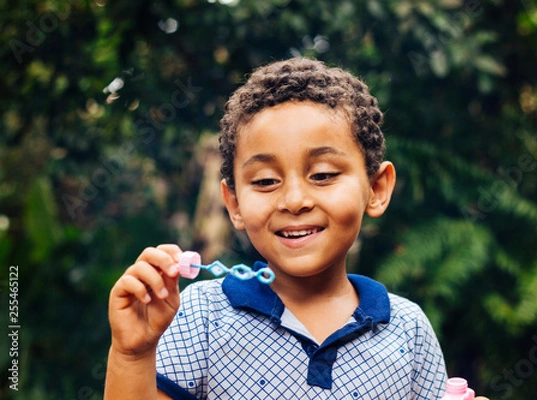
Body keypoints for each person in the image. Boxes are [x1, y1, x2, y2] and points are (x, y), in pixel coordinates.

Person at [105, 58, 452, 399]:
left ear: (376, 189)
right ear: (235, 204)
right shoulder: (198, 316)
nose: (294, 200)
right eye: (266, 180)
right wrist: (132, 355)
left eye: (323, 175)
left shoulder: (408, 331)